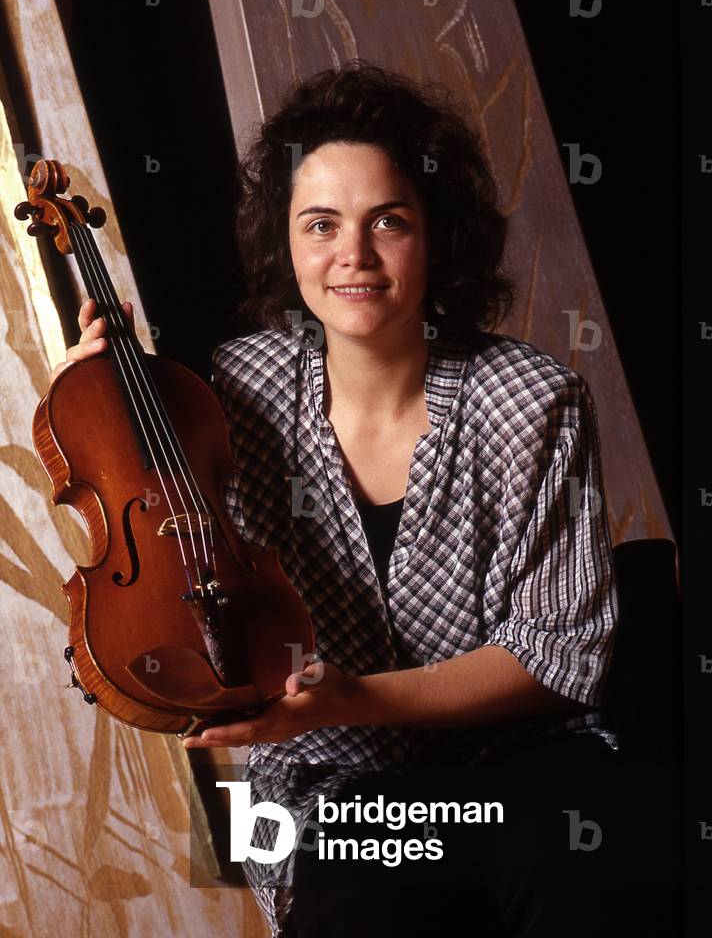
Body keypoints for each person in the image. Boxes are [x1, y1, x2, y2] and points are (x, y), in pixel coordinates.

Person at [52, 60, 680, 937]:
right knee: (357, 916)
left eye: (389, 221)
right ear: (286, 242)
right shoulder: (230, 388)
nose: (353, 255)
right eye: (321, 225)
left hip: (524, 766)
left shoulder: (534, 399)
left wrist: (359, 697)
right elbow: (150, 531)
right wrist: (106, 392)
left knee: (589, 882)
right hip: (338, 782)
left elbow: (561, 656)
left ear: (436, 237)